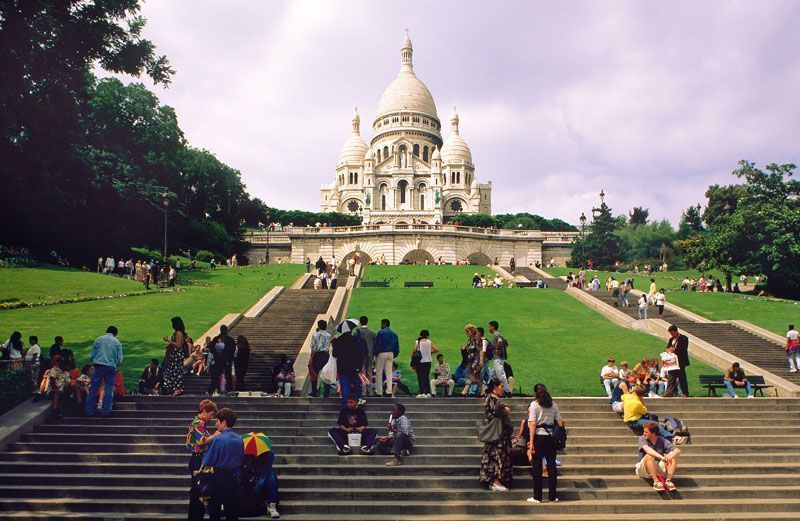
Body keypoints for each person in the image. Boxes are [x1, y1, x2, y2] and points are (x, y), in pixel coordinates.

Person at [202, 408, 244, 521]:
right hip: (233, 478)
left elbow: (208, 461)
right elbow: (241, 459)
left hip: (218, 478)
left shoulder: (218, 439)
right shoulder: (240, 439)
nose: (216, 424)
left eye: (218, 421)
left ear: (224, 422)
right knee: (232, 511)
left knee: (215, 510)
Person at [527, 385, 564, 503]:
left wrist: (531, 442)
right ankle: (552, 496)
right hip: (551, 438)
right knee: (552, 467)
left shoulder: (534, 404)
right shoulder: (553, 404)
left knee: (537, 467)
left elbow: (532, 424)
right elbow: (560, 422)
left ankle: (537, 496)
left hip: (539, 437)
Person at [187, 399, 218, 520]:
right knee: (197, 491)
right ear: (204, 411)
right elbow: (201, 441)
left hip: (197, 459)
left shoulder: (198, 423)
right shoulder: (198, 423)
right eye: (211, 414)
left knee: (198, 490)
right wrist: (215, 435)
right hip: (197, 460)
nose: (211, 417)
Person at [479, 379, 513, 491]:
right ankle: (495, 481)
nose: (503, 389)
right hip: (496, 435)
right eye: (501, 386)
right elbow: (496, 411)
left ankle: (496, 481)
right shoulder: (492, 398)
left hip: (498, 434)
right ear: (495, 387)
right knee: (495, 456)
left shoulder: (492, 398)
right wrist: (506, 410)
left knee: (497, 456)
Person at [85, 326, 123, 418]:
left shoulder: (98, 340)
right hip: (111, 367)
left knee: (94, 388)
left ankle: (89, 411)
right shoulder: (117, 342)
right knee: (109, 389)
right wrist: (115, 364)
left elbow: (92, 355)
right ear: (115, 333)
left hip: (98, 366)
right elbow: (120, 359)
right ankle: (106, 411)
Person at [636, 420, 681, 491]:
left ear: (653, 433)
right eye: (644, 431)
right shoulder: (642, 438)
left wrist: (670, 457)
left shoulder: (662, 440)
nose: (644, 433)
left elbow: (678, 451)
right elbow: (647, 449)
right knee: (649, 455)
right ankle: (656, 482)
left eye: (646, 432)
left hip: (657, 467)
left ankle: (668, 481)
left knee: (672, 455)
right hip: (644, 468)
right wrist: (662, 457)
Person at [331, 320, 364, 405]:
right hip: (353, 367)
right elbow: (359, 354)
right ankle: (358, 399)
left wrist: (334, 345)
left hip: (342, 367)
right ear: (350, 329)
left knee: (345, 387)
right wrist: (359, 367)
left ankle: (346, 404)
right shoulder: (355, 340)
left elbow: (335, 354)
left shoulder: (338, 340)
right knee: (357, 383)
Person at [162, 317, 187, 396]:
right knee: (173, 371)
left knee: (176, 371)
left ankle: (177, 388)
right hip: (174, 354)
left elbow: (178, 345)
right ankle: (173, 387)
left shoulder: (178, 333)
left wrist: (168, 340)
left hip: (177, 355)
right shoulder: (177, 333)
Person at [373, 319, 399, 398]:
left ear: (384, 324)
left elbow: (378, 344)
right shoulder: (394, 334)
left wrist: (376, 353)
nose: (381, 325)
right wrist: (394, 354)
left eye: (381, 324)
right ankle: (389, 391)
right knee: (389, 373)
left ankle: (379, 391)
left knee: (379, 373)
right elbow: (396, 346)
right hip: (391, 353)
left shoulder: (381, 332)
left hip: (382, 353)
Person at [308, 320, 332, 397]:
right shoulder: (328, 335)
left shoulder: (315, 335)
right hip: (325, 355)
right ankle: (326, 393)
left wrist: (311, 358)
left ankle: (314, 392)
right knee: (326, 374)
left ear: (319, 326)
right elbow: (328, 347)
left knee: (314, 374)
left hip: (317, 355)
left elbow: (313, 348)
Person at [412, 329, 439, 398]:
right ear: (427, 335)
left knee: (420, 377)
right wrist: (431, 352)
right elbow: (437, 349)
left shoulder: (417, 342)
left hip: (419, 361)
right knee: (426, 377)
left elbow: (413, 352)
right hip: (427, 361)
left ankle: (421, 393)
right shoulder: (429, 342)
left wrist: (412, 362)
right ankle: (427, 392)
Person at [355, 316, 377, 396]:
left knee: (362, 374)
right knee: (369, 373)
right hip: (370, 356)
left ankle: (363, 392)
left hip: (360, 357)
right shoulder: (372, 333)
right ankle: (370, 391)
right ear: (367, 322)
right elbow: (375, 346)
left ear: (360, 322)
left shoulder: (357, 332)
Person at [666, 325, 690, 397]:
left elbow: (683, 349)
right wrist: (667, 350)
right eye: (671, 334)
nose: (672, 335)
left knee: (682, 378)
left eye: (673, 333)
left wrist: (674, 350)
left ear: (676, 331)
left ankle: (685, 393)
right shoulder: (671, 339)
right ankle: (669, 392)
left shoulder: (683, 338)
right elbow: (667, 347)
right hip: (672, 362)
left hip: (680, 362)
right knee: (671, 377)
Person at [488, 321, 510, 397]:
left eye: (489, 326)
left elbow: (500, 342)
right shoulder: (499, 334)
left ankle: (507, 391)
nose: (489, 328)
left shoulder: (496, 334)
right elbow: (507, 345)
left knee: (501, 375)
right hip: (498, 358)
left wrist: (497, 349)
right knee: (491, 375)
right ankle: (489, 390)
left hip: (498, 358)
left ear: (493, 327)